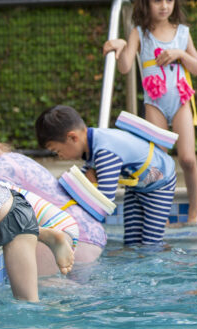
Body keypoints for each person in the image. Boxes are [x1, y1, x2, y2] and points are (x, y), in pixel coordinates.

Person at [103, 0, 197, 225]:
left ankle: (195, 210)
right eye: (158, 0)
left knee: (188, 159)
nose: (164, 6)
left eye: (169, 0)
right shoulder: (140, 33)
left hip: (180, 101)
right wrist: (120, 45)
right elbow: (125, 67)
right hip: (154, 103)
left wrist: (180, 53)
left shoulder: (181, 32)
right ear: (145, 3)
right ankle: (161, 213)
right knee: (159, 160)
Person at [35, 104, 177, 247]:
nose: (60, 157)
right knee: (131, 241)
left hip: (160, 183)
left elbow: (104, 202)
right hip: (139, 187)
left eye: (57, 151)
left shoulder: (105, 152)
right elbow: (82, 179)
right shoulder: (93, 142)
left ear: (73, 137)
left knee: (151, 242)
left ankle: (168, 260)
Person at [0, 142, 105, 272]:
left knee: (48, 285)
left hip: (63, 231)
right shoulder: (14, 158)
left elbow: (5, 211)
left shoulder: (0, 170)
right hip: (89, 229)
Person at [0, 183, 73, 301]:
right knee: (28, 303)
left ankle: (40, 233)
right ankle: (41, 233)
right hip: (17, 208)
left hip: (10, 216)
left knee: (27, 306)